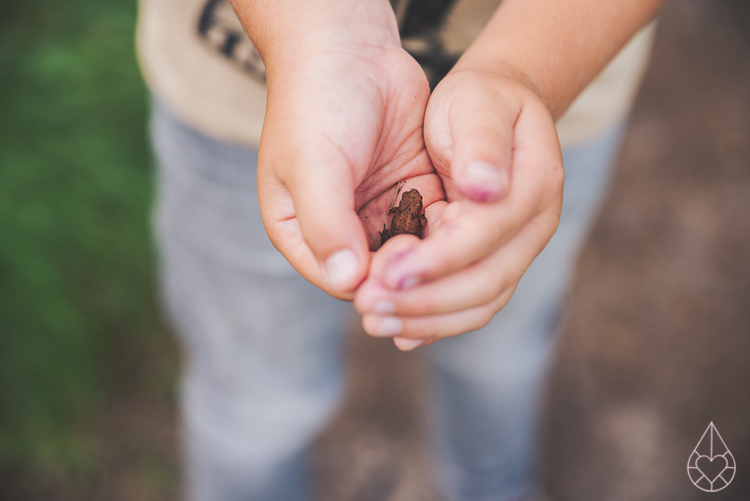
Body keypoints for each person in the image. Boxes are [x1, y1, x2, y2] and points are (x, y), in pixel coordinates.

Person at [137, 0, 664, 499]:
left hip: (539, 106)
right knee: (254, 392)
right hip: (238, 99)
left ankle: (493, 485)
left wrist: (522, 74)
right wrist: (316, 36)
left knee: (500, 353)